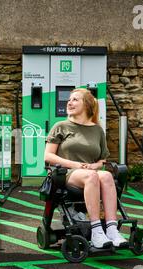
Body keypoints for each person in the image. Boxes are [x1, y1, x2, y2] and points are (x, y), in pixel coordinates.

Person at [44, 88, 128, 248]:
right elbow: (48, 156)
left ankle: (111, 229)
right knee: (93, 176)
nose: (69, 102)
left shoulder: (97, 130)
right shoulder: (61, 126)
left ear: (87, 105)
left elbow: (102, 160)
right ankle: (96, 232)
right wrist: (75, 164)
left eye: (75, 99)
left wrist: (93, 165)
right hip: (67, 174)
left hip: (90, 172)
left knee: (107, 176)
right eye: (69, 99)